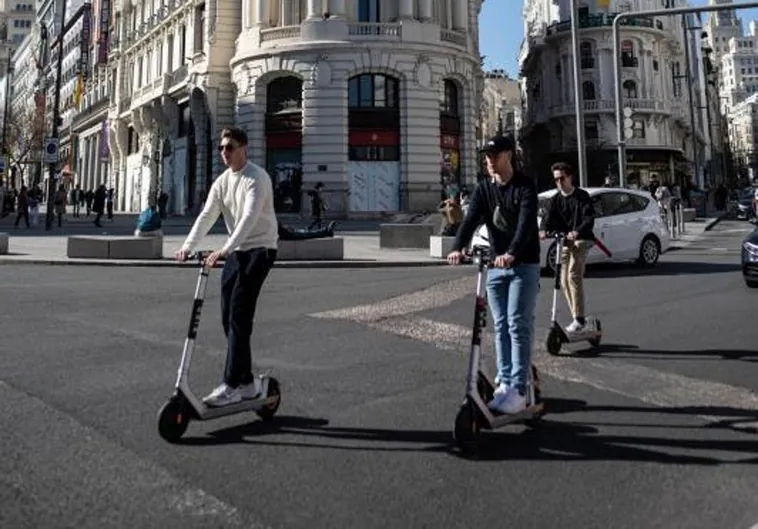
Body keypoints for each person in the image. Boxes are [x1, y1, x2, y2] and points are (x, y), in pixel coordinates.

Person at [175, 127, 278, 407]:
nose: (224, 152)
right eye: (222, 148)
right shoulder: (222, 181)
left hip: (260, 249)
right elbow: (207, 215)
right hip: (237, 250)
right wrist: (188, 246)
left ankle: (231, 385)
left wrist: (224, 249)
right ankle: (245, 382)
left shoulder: (257, 177)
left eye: (230, 147)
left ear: (244, 148)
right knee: (227, 317)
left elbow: (248, 217)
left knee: (239, 315)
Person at [447, 135, 541, 415]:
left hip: (523, 264)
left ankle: (519, 389)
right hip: (497, 267)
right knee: (499, 325)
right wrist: (457, 247)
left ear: (508, 156)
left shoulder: (524, 187)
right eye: (486, 156)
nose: (489, 160)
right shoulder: (484, 189)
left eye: (495, 155)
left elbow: (525, 226)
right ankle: (504, 382)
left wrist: (511, 252)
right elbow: (471, 219)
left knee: (516, 323)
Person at [539, 162, 596, 333]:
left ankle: (579, 319)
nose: (559, 182)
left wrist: (576, 232)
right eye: (555, 179)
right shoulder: (555, 200)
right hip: (564, 241)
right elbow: (546, 219)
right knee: (563, 280)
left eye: (562, 178)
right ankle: (578, 318)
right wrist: (543, 230)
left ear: (570, 177)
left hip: (581, 240)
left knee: (573, 274)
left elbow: (589, 219)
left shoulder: (582, 196)